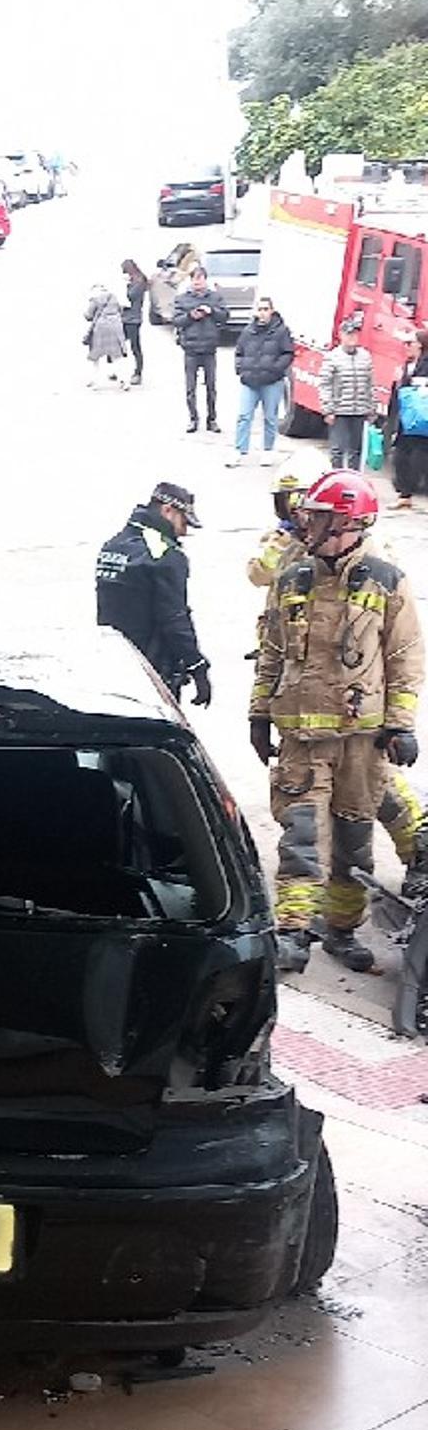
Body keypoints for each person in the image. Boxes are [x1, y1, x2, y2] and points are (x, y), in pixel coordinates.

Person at [249, 469, 424, 974]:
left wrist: (400, 723)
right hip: (301, 737)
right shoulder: (292, 578)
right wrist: (259, 713)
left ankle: (341, 930)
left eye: (322, 517)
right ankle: (293, 933)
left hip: (360, 742)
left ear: (350, 524)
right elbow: (272, 653)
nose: (310, 525)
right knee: (301, 840)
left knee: (354, 842)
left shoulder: (386, 580)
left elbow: (405, 657)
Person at [95, 480, 212, 704]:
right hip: (152, 667)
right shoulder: (164, 554)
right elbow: (174, 617)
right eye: (184, 522)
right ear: (168, 511)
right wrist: (196, 665)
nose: (184, 532)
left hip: (112, 658)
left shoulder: (113, 545)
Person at [228, 295, 294, 466]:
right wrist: (240, 370)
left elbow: (288, 354)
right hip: (249, 381)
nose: (262, 313)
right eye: (260, 309)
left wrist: (275, 369)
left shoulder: (281, 331)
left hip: (272, 382)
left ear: (271, 311)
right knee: (244, 416)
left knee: (270, 417)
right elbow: (239, 352)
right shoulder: (248, 331)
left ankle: (268, 450)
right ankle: (239, 450)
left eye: (266, 309)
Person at [319, 316, 378, 471]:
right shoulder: (332, 357)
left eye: (355, 334)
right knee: (338, 449)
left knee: (356, 450)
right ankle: (337, 478)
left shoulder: (365, 357)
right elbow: (325, 384)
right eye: (349, 334)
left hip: (359, 411)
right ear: (341, 335)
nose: (352, 337)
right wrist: (328, 409)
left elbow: (370, 384)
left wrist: (372, 408)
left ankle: (354, 479)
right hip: (339, 411)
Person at [173, 266, 227, 434]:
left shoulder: (215, 297)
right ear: (191, 281)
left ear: (205, 279)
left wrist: (211, 311)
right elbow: (175, 320)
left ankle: (212, 419)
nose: (197, 282)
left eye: (200, 278)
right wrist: (190, 316)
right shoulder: (182, 299)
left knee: (211, 387)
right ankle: (193, 419)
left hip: (209, 348)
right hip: (190, 348)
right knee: (191, 387)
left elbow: (225, 316)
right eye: (195, 279)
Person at [386, 326, 428, 508]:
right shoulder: (408, 364)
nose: (407, 346)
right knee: (400, 456)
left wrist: (407, 381)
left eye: (411, 343)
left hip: (421, 419)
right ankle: (404, 494)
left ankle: (407, 493)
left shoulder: (425, 365)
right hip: (406, 418)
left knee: (418, 457)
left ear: (421, 345)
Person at [84, 283, 129, 387]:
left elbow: (88, 315)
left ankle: (94, 382)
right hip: (115, 327)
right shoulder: (114, 297)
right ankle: (123, 381)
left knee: (95, 357)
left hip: (100, 328)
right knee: (117, 356)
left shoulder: (95, 299)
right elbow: (120, 310)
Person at [120, 259, 148, 384]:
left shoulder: (139, 281)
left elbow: (130, 296)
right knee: (118, 344)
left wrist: (125, 285)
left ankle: (138, 372)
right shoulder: (134, 281)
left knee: (135, 346)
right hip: (124, 317)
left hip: (133, 319)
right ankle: (116, 370)